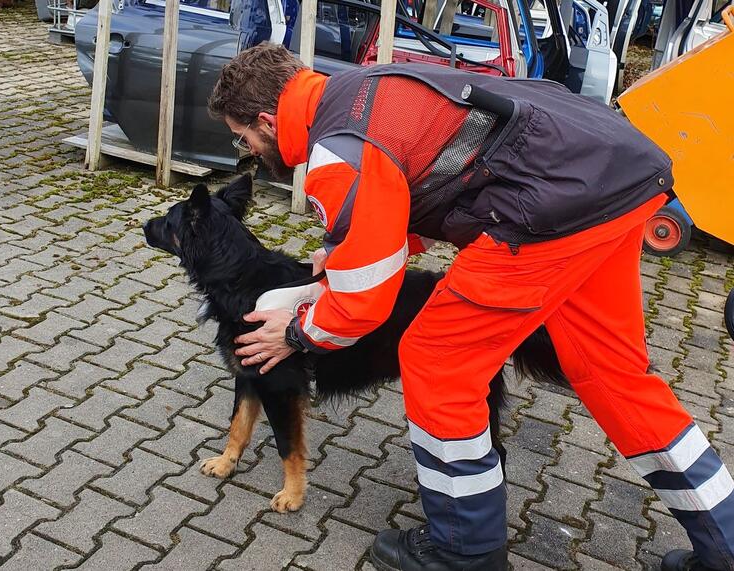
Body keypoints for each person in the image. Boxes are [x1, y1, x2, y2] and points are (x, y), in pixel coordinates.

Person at [207, 43, 734, 571]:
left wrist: (297, 334)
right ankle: (726, 543)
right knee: (614, 374)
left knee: (436, 362)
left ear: (268, 121)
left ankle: (465, 551)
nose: (249, 150)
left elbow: (363, 301)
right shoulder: (357, 89)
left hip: (547, 213)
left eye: (244, 137)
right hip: (616, 180)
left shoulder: (336, 151)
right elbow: (430, 168)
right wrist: (345, 250)